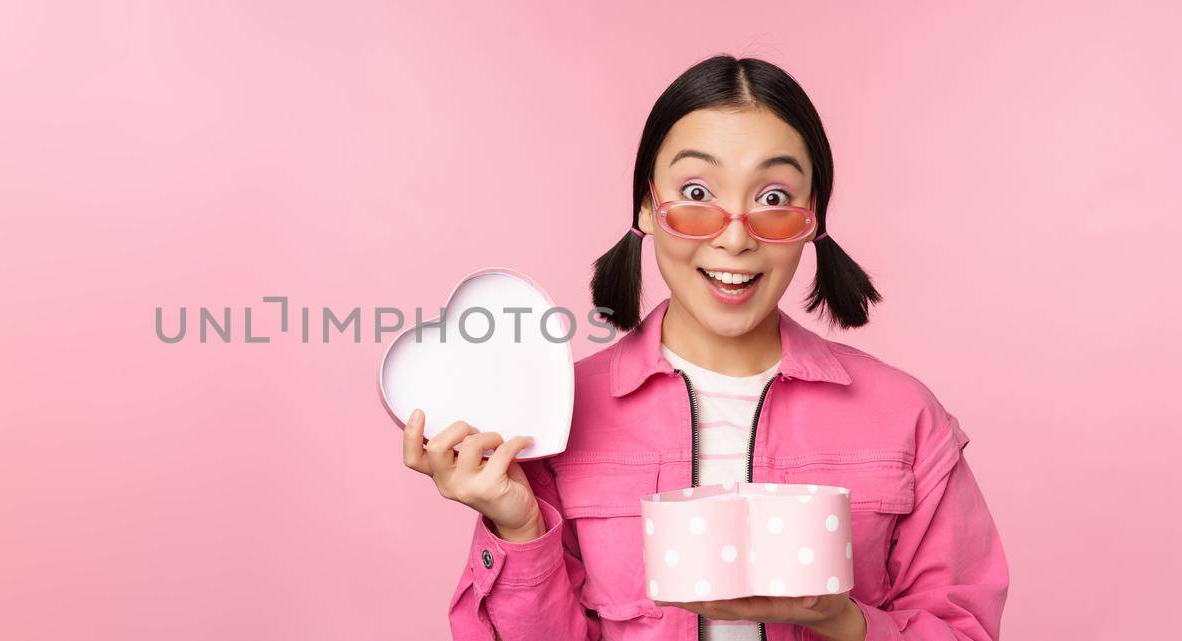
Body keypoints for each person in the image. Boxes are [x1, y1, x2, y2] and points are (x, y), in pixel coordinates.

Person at [400, 55, 1008, 641]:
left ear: (813, 216)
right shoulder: (557, 413)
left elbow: (964, 629)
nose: (736, 237)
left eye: (772, 198)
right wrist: (518, 524)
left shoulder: (906, 417)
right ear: (645, 203)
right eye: (696, 192)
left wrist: (842, 621)